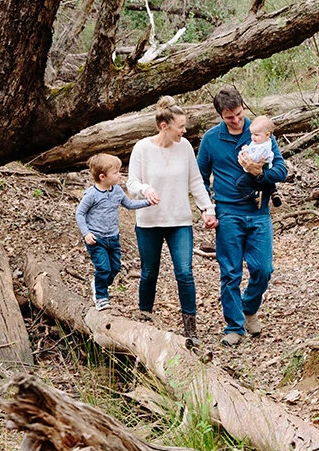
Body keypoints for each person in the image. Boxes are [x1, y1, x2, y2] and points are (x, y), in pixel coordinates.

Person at [196, 88, 287, 347]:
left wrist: (259, 174)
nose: (236, 121)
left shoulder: (260, 132)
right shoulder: (211, 139)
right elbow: (199, 178)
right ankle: (234, 326)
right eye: (229, 118)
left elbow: (281, 170)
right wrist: (207, 208)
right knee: (230, 272)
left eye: (238, 115)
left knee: (263, 269)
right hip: (227, 213)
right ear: (220, 116)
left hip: (258, 211)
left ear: (243, 109)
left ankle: (249, 306)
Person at [127, 96, 217, 339]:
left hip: (179, 221)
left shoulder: (185, 147)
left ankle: (190, 329)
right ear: (164, 126)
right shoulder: (142, 148)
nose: (184, 131)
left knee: (185, 273)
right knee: (149, 272)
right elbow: (131, 182)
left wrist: (207, 209)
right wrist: (146, 189)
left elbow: (196, 181)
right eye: (180, 127)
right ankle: (144, 318)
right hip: (149, 222)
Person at [76, 153, 154, 311]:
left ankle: (99, 283)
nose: (120, 175)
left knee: (115, 268)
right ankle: (101, 297)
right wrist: (86, 233)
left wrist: (148, 202)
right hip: (96, 239)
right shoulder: (91, 195)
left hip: (113, 237)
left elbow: (130, 205)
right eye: (116, 172)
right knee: (103, 268)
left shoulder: (117, 191)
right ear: (103, 176)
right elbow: (80, 213)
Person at [236, 115, 283, 209]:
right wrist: (247, 148)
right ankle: (273, 191)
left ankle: (254, 195)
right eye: (252, 134)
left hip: (260, 166)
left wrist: (245, 155)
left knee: (241, 183)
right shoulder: (261, 141)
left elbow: (255, 158)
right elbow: (252, 148)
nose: (253, 137)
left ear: (267, 134)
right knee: (267, 180)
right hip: (266, 166)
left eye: (256, 135)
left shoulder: (263, 146)